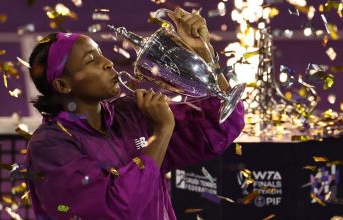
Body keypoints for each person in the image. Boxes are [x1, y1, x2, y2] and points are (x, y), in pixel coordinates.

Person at [26, 8, 245, 220]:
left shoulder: (131, 114)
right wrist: (160, 134)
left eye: (101, 54)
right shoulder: (50, 146)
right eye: (91, 60)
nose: (108, 63)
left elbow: (217, 130)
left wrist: (205, 56)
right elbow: (117, 208)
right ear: (63, 85)